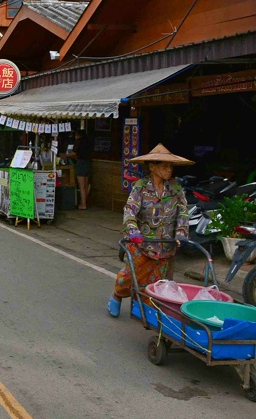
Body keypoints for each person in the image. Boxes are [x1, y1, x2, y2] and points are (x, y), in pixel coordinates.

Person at [108, 144, 192, 317]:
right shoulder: (141, 187)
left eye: (170, 166)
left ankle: (144, 308)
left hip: (166, 246)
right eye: (164, 166)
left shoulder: (176, 188)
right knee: (129, 277)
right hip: (142, 245)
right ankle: (117, 295)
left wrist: (181, 234)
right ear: (152, 167)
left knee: (157, 284)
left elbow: (183, 212)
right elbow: (130, 211)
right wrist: (133, 232)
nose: (169, 169)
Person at [67, 129, 92, 209]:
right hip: (88, 163)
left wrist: (65, 155)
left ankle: (83, 205)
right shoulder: (88, 142)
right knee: (85, 185)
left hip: (81, 163)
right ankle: (84, 203)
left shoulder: (78, 142)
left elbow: (74, 153)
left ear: (78, 135)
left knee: (81, 187)